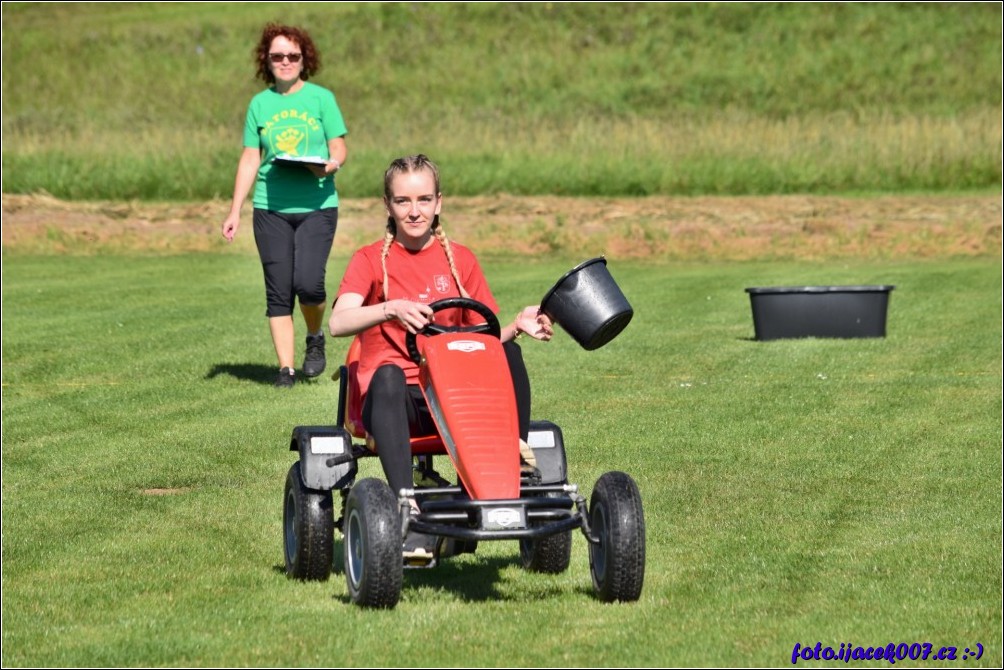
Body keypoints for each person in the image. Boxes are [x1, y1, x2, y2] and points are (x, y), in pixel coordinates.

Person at [329, 155, 552, 555]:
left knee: (508, 353)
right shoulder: (369, 260)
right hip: (397, 402)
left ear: (439, 203)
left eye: (424, 199)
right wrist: (390, 308)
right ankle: (407, 504)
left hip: (453, 398)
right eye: (403, 201)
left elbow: (482, 340)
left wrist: (517, 325)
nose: (414, 211)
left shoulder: (461, 260)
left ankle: (513, 468)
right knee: (388, 375)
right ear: (387, 205)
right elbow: (338, 322)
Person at [220, 22, 348, 388]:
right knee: (278, 290)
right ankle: (286, 370)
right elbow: (250, 158)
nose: (286, 61)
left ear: (305, 59)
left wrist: (331, 165)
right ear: (267, 59)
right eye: (278, 56)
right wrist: (235, 210)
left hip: (317, 205)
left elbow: (338, 146)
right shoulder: (259, 104)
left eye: (293, 55)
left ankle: (315, 336)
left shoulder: (322, 99)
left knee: (309, 284)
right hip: (270, 208)